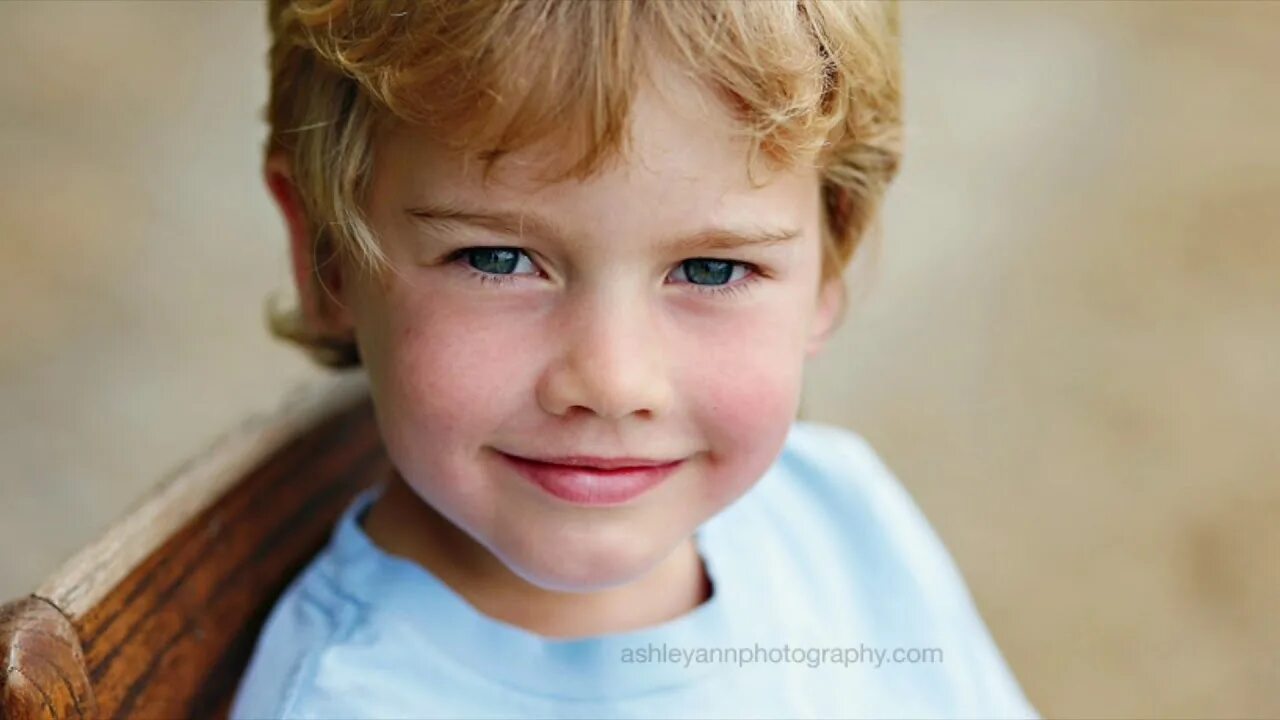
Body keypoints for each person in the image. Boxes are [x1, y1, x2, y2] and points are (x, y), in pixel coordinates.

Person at [232, 1, 1037, 717]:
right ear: (327, 257)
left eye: (712, 270)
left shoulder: (838, 516)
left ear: (829, 264)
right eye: (500, 260)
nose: (612, 382)